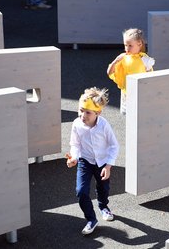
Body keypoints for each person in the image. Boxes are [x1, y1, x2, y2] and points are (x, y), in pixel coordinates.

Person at [66, 87, 119, 235]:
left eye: (88, 112)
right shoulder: (77, 124)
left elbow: (114, 145)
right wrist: (74, 158)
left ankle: (103, 207)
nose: (83, 115)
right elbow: (75, 144)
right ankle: (91, 219)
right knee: (81, 192)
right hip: (85, 162)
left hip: (102, 162)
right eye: (81, 110)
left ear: (98, 113)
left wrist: (108, 166)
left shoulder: (103, 125)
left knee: (103, 189)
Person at [107, 28, 155, 115]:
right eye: (125, 45)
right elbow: (109, 72)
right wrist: (116, 61)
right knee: (127, 115)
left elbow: (150, 77)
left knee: (139, 114)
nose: (127, 48)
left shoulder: (145, 59)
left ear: (139, 44)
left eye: (130, 45)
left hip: (140, 93)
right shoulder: (123, 58)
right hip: (126, 93)